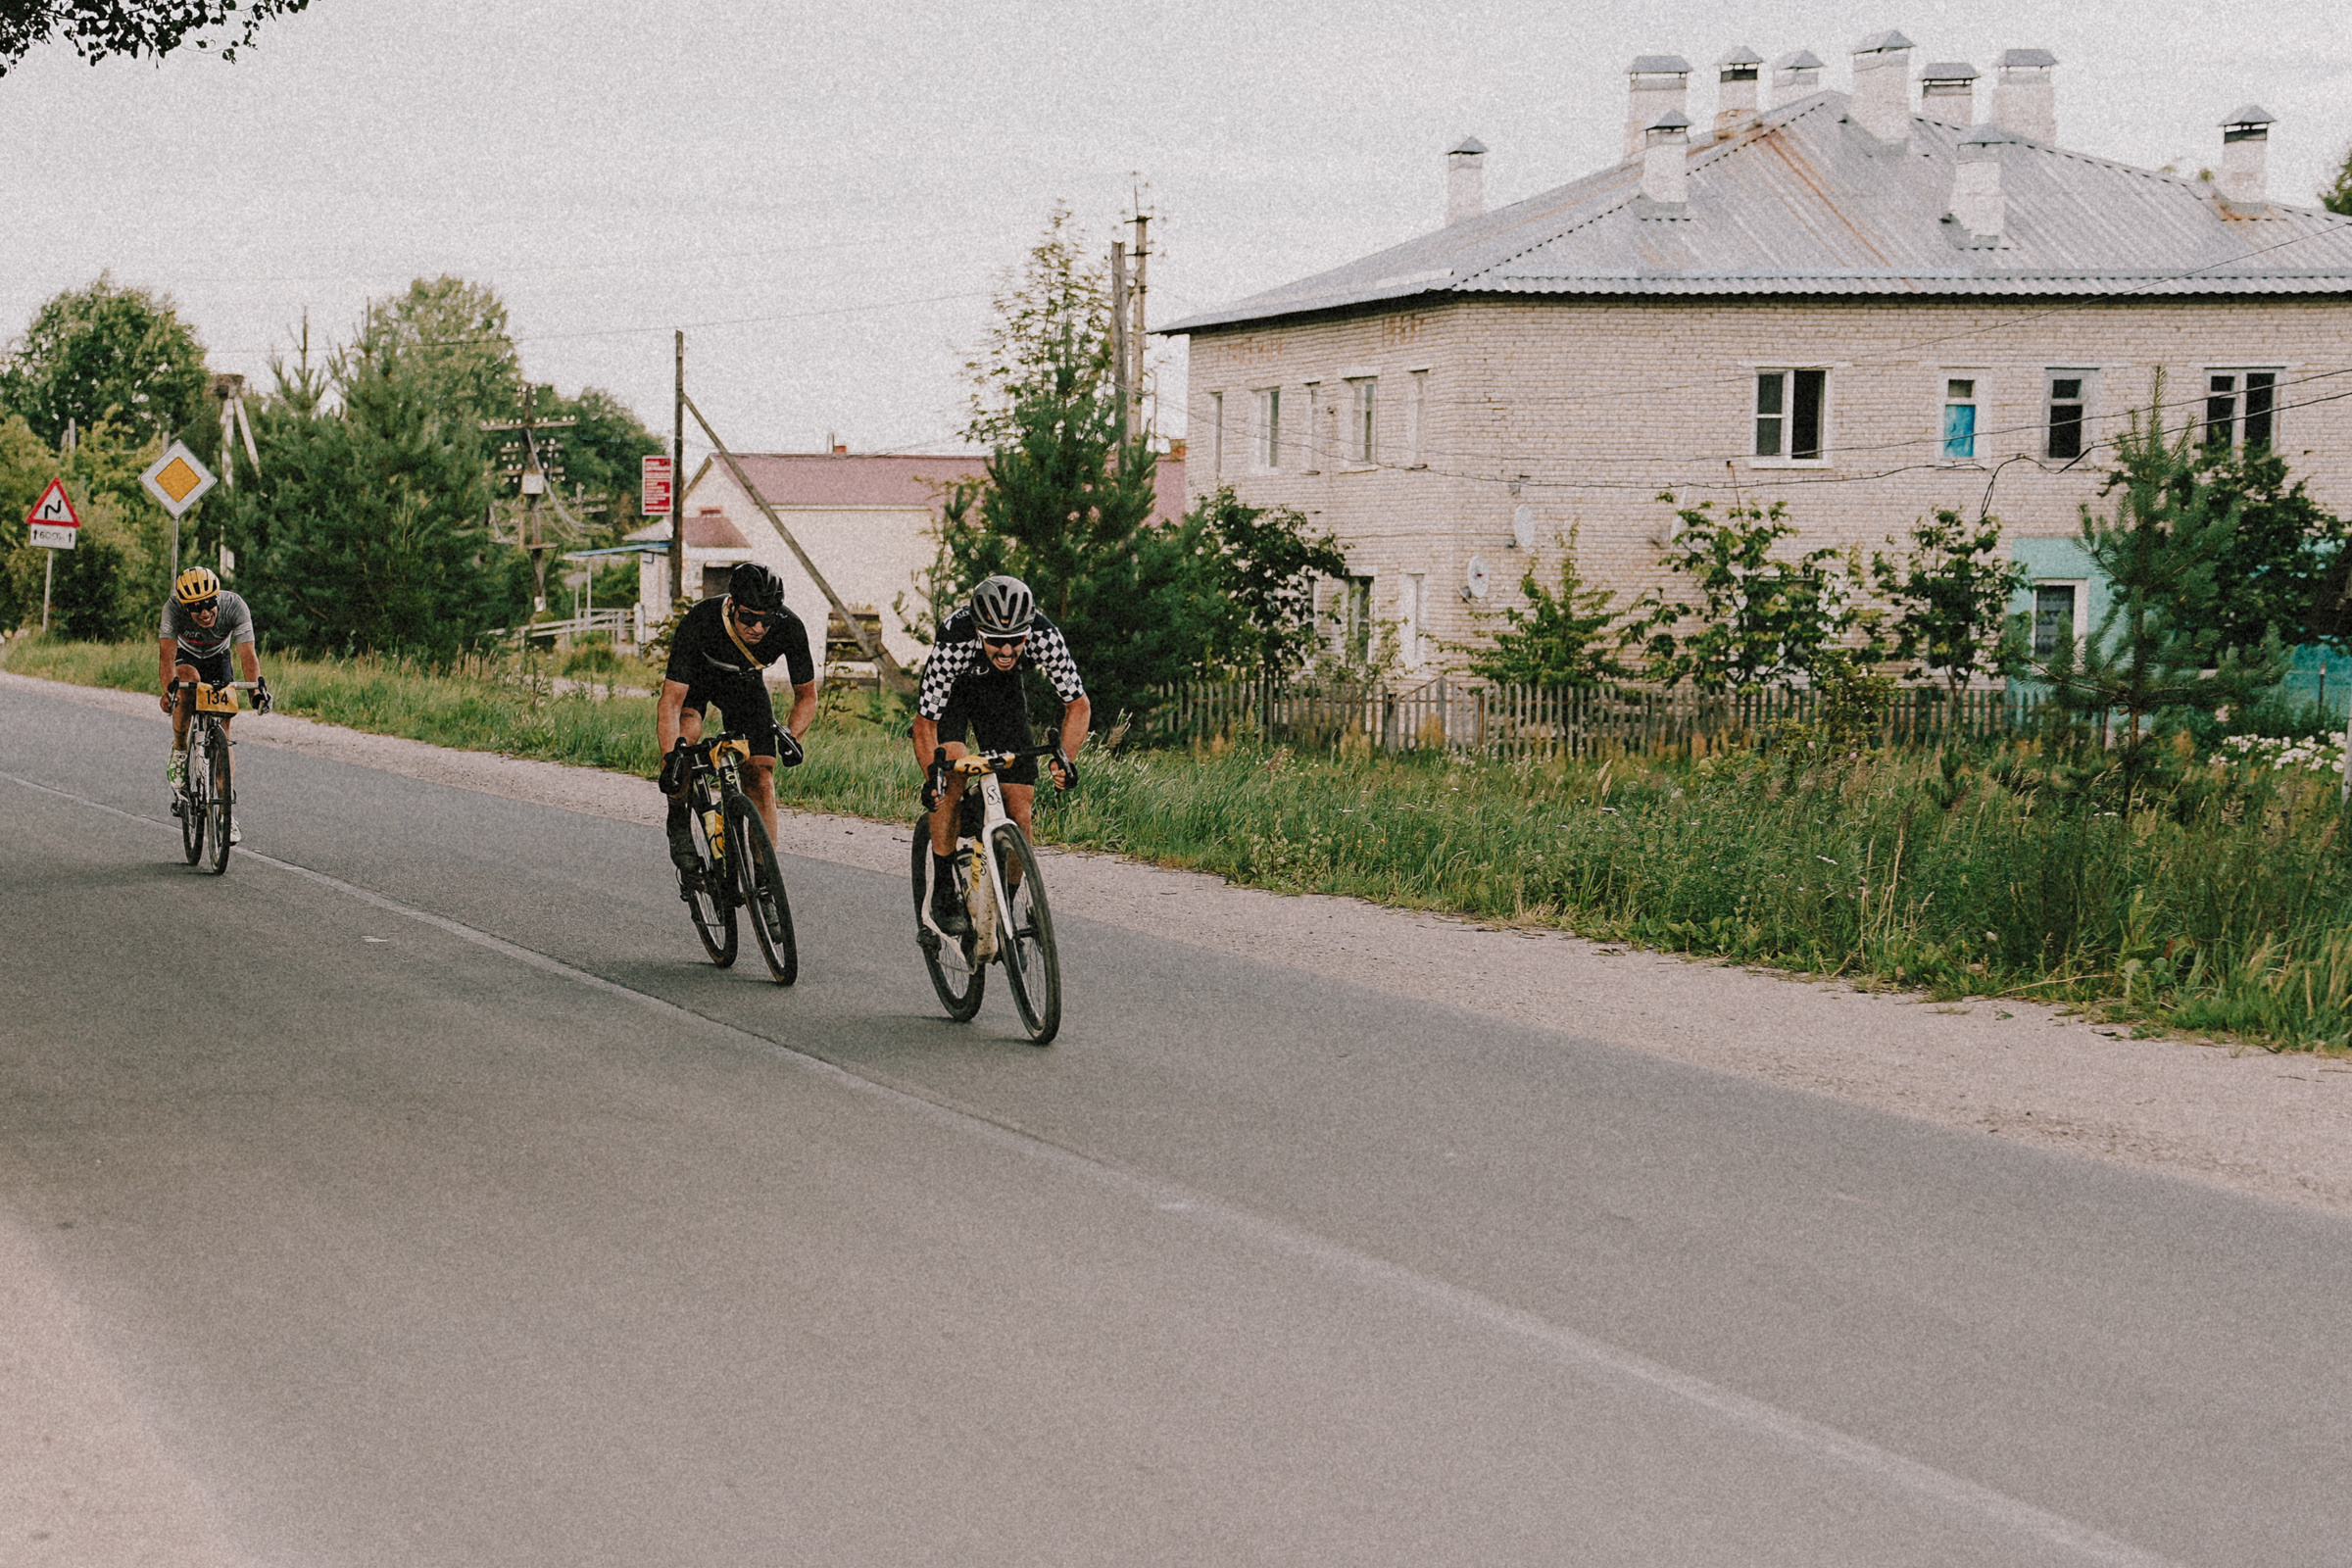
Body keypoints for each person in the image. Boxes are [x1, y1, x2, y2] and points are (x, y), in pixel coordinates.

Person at [910, 573, 1090, 937]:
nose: (1007, 651)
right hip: (954, 697)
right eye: (995, 641)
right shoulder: (954, 641)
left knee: (1020, 811)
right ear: (979, 631)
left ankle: (1004, 914)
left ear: (1028, 630)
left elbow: (1079, 706)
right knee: (953, 768)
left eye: (1015, 641)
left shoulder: (1044, 635)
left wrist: (1064, 760)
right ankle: (944, 887)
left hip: (1002, 696)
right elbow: (926, 724)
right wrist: (935, 777)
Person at [655, 562, 818, 887]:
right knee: (688, 732)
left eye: (766, 620)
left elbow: (807, 696)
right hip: (697, 683)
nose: (758, 628)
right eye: (748, 618)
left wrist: (792, 736)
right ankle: (678, 817)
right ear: (731, 606)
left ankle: (764, 878)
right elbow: (671, 702)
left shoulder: (790, 627)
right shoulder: (700, 620)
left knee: (761, 778)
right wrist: (671, 760)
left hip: (743, 688)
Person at [158, 566, 270, 841]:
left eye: (209, 603)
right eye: (196, 608)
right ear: (186, 607)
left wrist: (255, 693)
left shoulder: (235, 606)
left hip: (219, 660)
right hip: (187, 657)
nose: (205, 612)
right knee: (189, 683)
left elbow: (247, 654)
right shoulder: (172, 609)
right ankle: (180, 750)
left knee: (225, 728)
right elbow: (166, 658)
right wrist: (169, 692)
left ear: (217, 598)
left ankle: (225, 814)